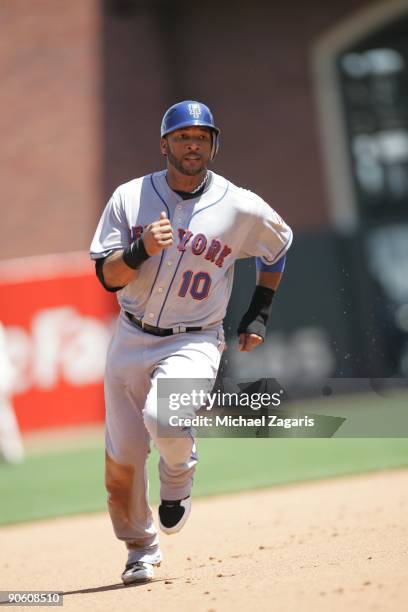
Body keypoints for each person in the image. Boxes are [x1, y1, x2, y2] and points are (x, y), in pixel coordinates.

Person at [90, 100, 292, 584]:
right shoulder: (129, 197)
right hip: (131, 334)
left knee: (167, 416)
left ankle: (178, 479)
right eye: (183, 137)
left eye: (202, 137)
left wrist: (259, 311)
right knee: (121, 463)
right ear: (165, 144)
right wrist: (141, 248)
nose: (193, 145)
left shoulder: (238, 204)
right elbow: (107, 277)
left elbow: (278, 244)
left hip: (196, 338)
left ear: (213, 144)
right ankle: (139, 549)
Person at [0, 321, 25, 465]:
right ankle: (12, 448)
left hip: (2, 375)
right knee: (5, 413)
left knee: (4, 413)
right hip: (5, 374)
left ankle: (12, 449)